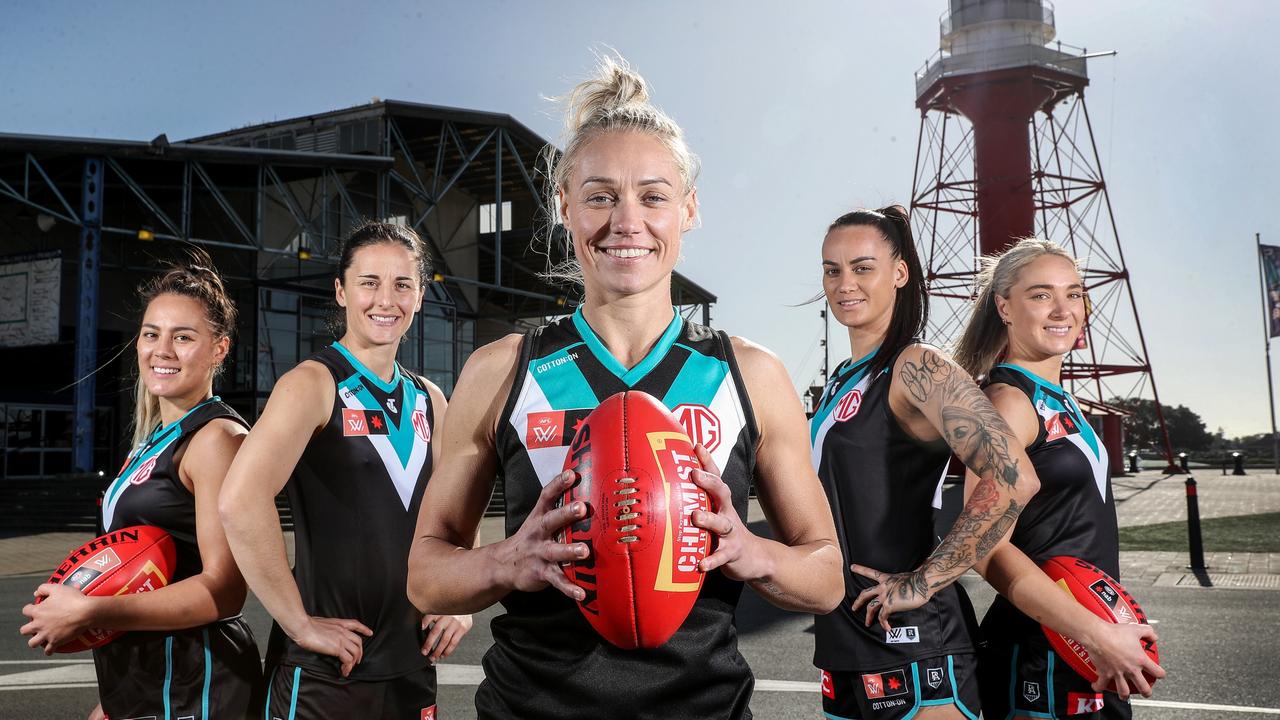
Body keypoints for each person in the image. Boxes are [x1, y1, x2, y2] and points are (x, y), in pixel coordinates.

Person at [405, 55, 843, 719]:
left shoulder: (749, 373)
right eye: (601, 195)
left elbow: (827, 576)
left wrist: (752, 553)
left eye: (654, 195)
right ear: (564, 209)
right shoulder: (503, 369)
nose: (627, 221)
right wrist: (505, 559)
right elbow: (425, 577)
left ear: (689, 209)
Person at [219, 222, 468, 720]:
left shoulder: (431, 400)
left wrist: (458, 598)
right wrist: (298, 623)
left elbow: (454, 513)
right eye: (369, 281)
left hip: (411, 664)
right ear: (341, 291)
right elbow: (239, 501)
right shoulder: (312, 383)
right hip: (326, 673)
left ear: (420, 297)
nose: (385, 299)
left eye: (403, 284)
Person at [809, 206, 1043, 720]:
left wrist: (925, 581)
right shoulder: (841, 382)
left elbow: (1013, 478)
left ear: (899, 272)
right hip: (845, 644)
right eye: (832, 269)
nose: (845, 283)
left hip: (915, 648)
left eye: (863, 267)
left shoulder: (917, 367)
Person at [21, 249, 262, 720]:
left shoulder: (216, 438)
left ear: (219, 349)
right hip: (145, 680)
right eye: (152, 334)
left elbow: (224, 591)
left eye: (183, 337)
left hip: (197, 683)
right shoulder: (153, 442)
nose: (162, 350)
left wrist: (92, 613)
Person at [952, 238, 1165, 719]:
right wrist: (1096, 634)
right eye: (1041, 294)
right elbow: (985, 547)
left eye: (1073, 293)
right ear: (1004, 307)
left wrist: (1102, 631)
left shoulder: (1057, 400)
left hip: (1082, 646)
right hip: (1041, 655)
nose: (1062, 309)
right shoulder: (1010, 401)